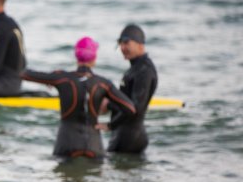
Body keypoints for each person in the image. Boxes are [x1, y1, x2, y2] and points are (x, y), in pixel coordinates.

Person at [22, 37, 136, 158]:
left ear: (76, 55)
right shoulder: (103, 83)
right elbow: (130, 109)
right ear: (94, 57)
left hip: (67, 143)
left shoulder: (63, 78)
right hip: (93, 144)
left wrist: (52, 78)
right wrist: (110, 125)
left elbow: (24, 74)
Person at [106, 24, 158, 153]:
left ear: (140, 44)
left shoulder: (144, 71)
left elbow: (135, 108)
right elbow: (127, 100)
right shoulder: (135, 69)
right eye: (120, 43)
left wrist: (110, 125)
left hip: (130, 140)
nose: (122, 48)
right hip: (125, 136)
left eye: (126, 43)